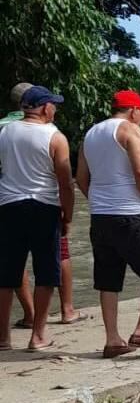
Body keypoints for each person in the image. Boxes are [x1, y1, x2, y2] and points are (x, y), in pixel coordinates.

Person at [77, 90, 140, 358]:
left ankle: (113, 340)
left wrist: (98, 202)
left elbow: (81, 178)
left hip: (100, 216)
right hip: (130, 212)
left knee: (108, 279)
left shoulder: (90, 134)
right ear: (133, 110)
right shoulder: (130, 130)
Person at [3, 83, 84, 329]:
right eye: (54, 105)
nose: (55, 110)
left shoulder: (4, 131)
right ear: (45, 108)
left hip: (8, 206)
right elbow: (65, 183)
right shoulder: (55, 137)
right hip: (44, 207)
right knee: (47, 273)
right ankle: (38, 335)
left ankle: (3, 338)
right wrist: (67, 216)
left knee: (6, 275)